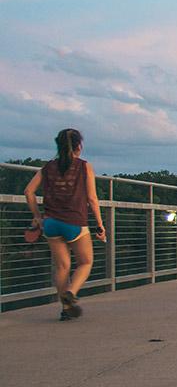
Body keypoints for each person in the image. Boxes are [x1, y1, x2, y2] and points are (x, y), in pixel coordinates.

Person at [24, 128, 106, 320]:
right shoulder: (84, 167)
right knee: (85, 262)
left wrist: (37, 216)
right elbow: (92, 199)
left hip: (50, 223)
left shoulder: (47, 167)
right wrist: (100, 226)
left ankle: (65, 309)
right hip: (74, 222)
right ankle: (71, 292)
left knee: (62, 267)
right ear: (79, 146)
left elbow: (29, 191)